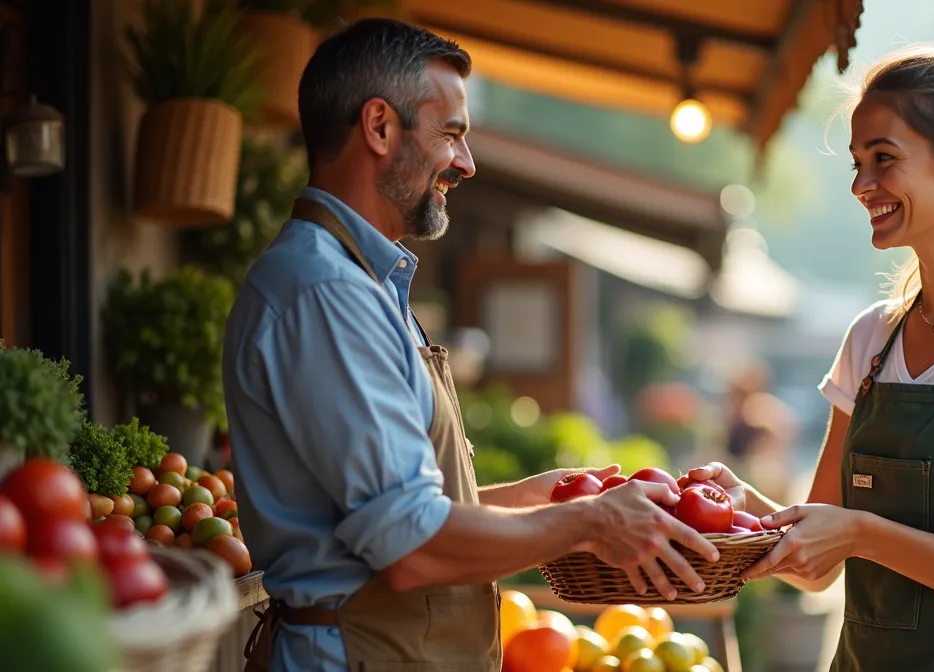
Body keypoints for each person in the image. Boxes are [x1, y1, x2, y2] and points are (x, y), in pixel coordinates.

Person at [222, 19, 717, 672]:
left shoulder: (364, 282)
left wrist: (530, 500)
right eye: (451, 133)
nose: (466, 162)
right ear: (379, 127)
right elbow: (411, 548)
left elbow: (380, 514)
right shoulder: (327, 292)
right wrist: (592, 522)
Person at [685, 45, 934, 672]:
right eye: (857, 163)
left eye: (884, 158)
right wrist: (743, 510)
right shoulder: (870, 340)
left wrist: (865, 534)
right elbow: (816, 568)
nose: (860, 185)